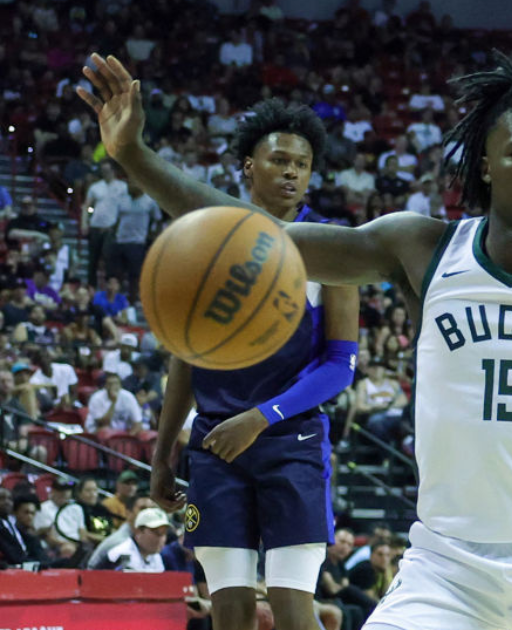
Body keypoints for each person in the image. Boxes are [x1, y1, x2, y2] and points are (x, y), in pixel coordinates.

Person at [81, 52, 512, 630]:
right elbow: (247, 234)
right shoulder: (422, 248)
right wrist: (136, 156)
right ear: (486, 165)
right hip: (448, 567)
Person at [80, 74, 361, 630]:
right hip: (214, 444)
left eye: (300, 164)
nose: (290, 171)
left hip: (291, 440)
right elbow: (185, 358)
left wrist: (261, 417)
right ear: (248, 167)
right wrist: (162, 454)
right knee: (226, 611)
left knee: (293, 608)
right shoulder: (207, 242)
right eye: (278, 159)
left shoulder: (332, 249)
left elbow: (340, 365)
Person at [95, 507, 169, 572]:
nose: (160, 538)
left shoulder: (156, 556)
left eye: (164, 532)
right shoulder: (121, 555)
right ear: (138, 532)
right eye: (156, 532)